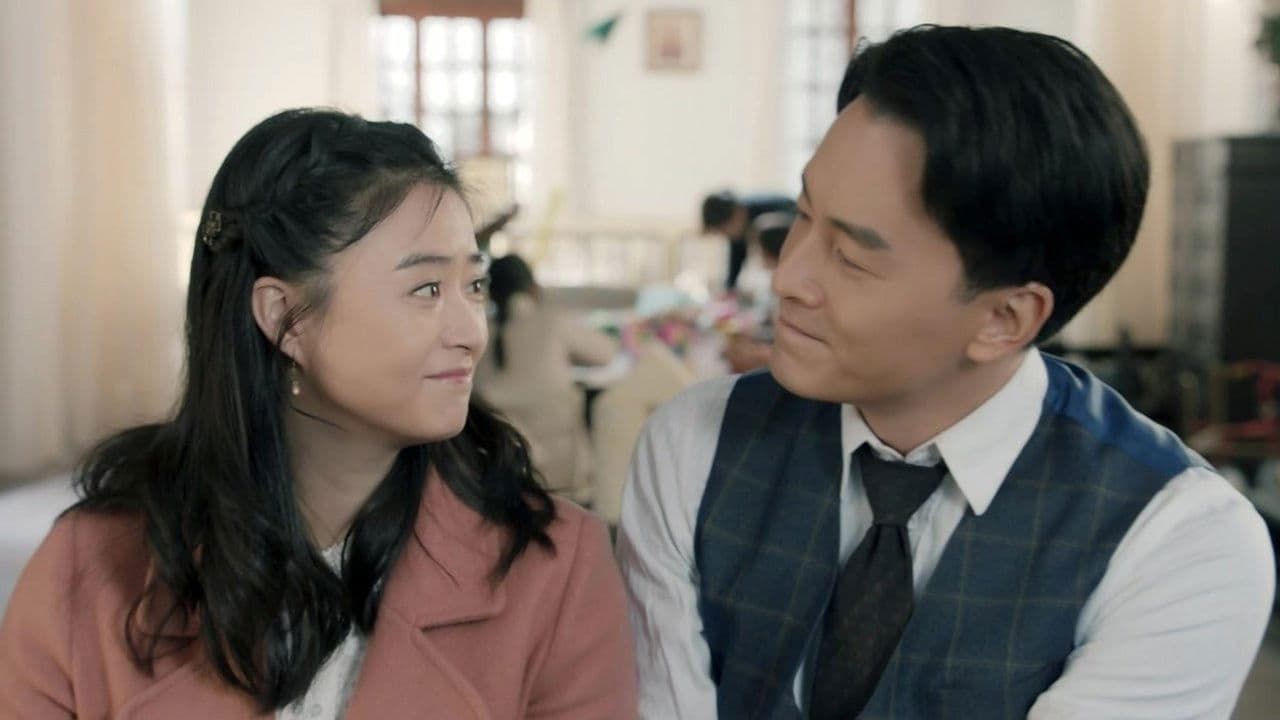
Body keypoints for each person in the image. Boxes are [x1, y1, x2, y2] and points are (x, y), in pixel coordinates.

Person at [618, 25, 1275, 720]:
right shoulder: (696, 443)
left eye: (851, 257)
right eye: (804, 215)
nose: (789, 277)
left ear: (1005, 319)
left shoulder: (1180, 541)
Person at [0, 109, 637, 719]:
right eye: (426, 289)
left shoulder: (554, 569)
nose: (471, 332)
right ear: (285, 318)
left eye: (474, 285)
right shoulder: (88, 568)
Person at [475, 253, 619, 506]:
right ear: (532, 287)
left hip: (502, 476)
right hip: (564, 479)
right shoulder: (553, 321)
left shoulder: (479, 331)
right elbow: (606, 353)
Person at [723, 210, 792, 374]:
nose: (755, 253)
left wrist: (755, 337)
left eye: (757, 247)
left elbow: (782, 330)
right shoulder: (775, 281)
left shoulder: (788, 288)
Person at [701, 189, 795, 291]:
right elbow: (736, 257)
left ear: (736, 214)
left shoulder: (767, 222)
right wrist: (729, 287)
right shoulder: (740, 223)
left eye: (724, 230)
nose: (727, 235)